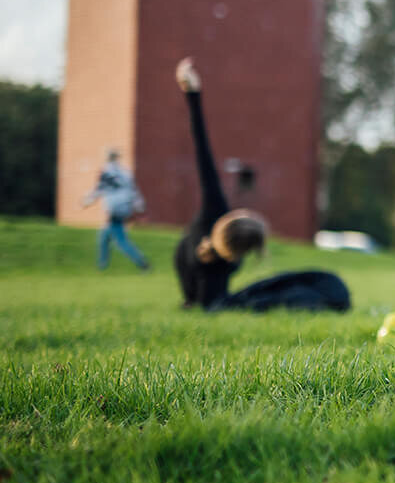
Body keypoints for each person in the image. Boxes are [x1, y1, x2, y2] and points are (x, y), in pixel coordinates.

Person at [174, 58, 349, 313]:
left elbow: (203, 154)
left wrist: (193, 93)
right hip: (205, 294)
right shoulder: (218, 274)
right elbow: (211, 302)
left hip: (192, 285)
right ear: (238, 254)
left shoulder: (213, 210)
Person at [80, 148, 150, 271]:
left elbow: (99, 190)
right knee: (103, 237)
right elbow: (134, 192)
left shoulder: (106, 172)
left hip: (114, 209)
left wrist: (86, 201)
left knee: (121, 241)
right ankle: (102, 266)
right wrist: (140, 207)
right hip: (125, 208)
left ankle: (142, 263)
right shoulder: (125, 173)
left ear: (107, 158)